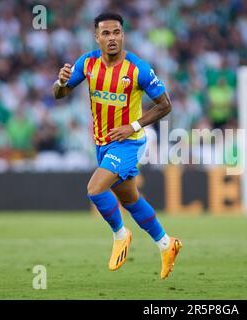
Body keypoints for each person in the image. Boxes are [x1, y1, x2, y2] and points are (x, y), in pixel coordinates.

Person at [52, 13, 182, 278]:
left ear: (123, 35)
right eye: (106, 33)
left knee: (95, 189)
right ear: (96, 37)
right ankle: (167, 244)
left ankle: (121, 234)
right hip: (102, 144)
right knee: (130, 198)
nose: (112, 38)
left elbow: (165, 105)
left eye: (117, 33)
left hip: (129, 142)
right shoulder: (87, 63)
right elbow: (60, 95)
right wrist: (61, 82)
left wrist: (133, 126)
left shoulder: (138, 69)